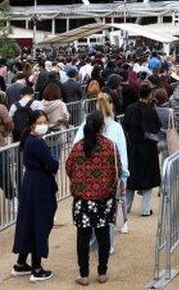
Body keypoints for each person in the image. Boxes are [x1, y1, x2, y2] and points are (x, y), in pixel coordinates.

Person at [67, 113, 120, 285]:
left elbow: (69, 168)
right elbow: (117, 168)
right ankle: (102, 272)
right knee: (103, 234)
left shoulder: (77, 147)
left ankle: (83, 275)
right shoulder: (110, 146)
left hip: (82, 199)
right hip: (104, 198)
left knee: (82, 236)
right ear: (101, 127)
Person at [12, 111, 59, 282]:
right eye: (40, 122)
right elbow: (52, 164)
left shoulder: (30, 141)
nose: (43, 124)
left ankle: (21, 262)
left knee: (29, 221)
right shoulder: (36, 142)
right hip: (39, 185)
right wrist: (52, 165)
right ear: (32, 124)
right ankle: (37, 268)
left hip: (31, 183)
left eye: (45, 121)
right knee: (39, 222)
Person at [122, 84, 161, 217]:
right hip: (147, 147)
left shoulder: (130, 109)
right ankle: (145, 208)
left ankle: (126, 208)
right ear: (149, 95)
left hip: (133, 147)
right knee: (148, 178)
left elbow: (125, 126)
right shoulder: (150, 110)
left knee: (131, 178)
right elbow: (156, 128)